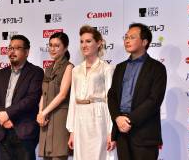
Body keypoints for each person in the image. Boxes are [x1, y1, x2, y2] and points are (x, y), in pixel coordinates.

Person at [108, 23, 167, 160]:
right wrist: (117, 118)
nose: (127, 40)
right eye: (126, 37)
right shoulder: (120, 67)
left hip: (144, 133)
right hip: (121, 131)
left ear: (144, 42)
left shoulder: (157, 68)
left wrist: (129, 120)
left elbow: (154, 100)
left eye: (132, 37)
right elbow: (112, 95)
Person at [66, 25, 117, 160]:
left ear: (99, 43)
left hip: (99, 117)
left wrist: (111, 131)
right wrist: (72, 131)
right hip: (80, 119)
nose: (84, 45)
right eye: (82, 41)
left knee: (98, 156)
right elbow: (72, 100)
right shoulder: (76, 70)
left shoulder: (107, 68)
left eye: (88, 41)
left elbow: (110, 100)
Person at [0, 35, 44, 160]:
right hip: (3, 132)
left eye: (17, 48)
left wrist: (8, 114)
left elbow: (32, 99)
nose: (12, 51)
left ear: (26, 52)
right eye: (10, 48)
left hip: (24, 131)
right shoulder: (0, 74)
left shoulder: (36, 72)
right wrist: (2, 117)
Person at [37, 32, 73, 160]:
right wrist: (40, 112)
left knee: (58, 155)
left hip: (59, 118)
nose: (52, 49)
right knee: (46, 156)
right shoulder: (48, 68)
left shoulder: (69, 67)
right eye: (50, 45)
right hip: (46, 118)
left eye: (57, 46)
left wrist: (44, 112)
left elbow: (63, 94)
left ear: (65, 47)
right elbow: (43, 93)